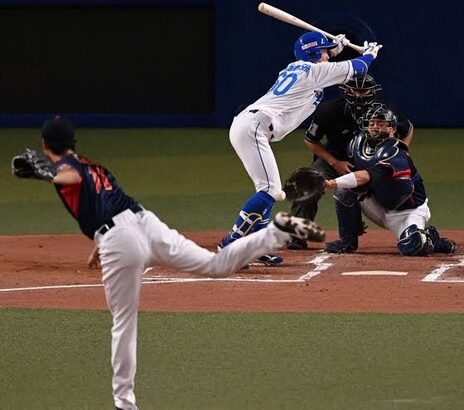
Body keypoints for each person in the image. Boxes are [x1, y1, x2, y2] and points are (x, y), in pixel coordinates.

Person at [13, 116, 326, 410]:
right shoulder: (93, 165)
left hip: (120, 242)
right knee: (214, 266)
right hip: (145, 222)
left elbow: (71, 177)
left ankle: (124, 403)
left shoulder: (68, 170)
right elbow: (102, 197)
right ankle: (275, 233)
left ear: (45, 144)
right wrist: (101, 242)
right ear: (74, 142)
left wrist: (49, 174)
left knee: (123, 324)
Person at [218, 31, 382, 265]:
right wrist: (369, 55)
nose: (328, 55)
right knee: (270, 191)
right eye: (324, 51)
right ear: (315, 53)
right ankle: (233, 241)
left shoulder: (299, 68)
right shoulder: (314, 72)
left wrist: (335, 46)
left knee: (271, 191)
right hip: (255, 127)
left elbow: (325, 63)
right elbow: (357, 67)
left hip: (251, 125)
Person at [288, 75, 414, 250]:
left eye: (363, 90)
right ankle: (296, 236)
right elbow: (310, 140)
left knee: (392, 185)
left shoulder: (384, 110)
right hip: (335, 158)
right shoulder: (329, 110)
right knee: (310, 184)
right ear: (346, 90)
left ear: (372, 91)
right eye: (354, 90)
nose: (359, 95)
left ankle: (410, 226)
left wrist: (400, 152)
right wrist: (334, 162)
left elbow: (407, 129)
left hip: (371, 160)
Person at [323, 103, 456, 256]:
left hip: (408, 211)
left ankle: (432, 239)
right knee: (344, 191)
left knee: (413, 245)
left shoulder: (394, 152)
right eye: (371, 123)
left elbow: (365, 176)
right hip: (380, 204)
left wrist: (330, 183)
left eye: (381, 123)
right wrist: (353, 217)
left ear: (392, 128)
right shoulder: (358, 145)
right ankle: (347, 241)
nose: (375, 127)